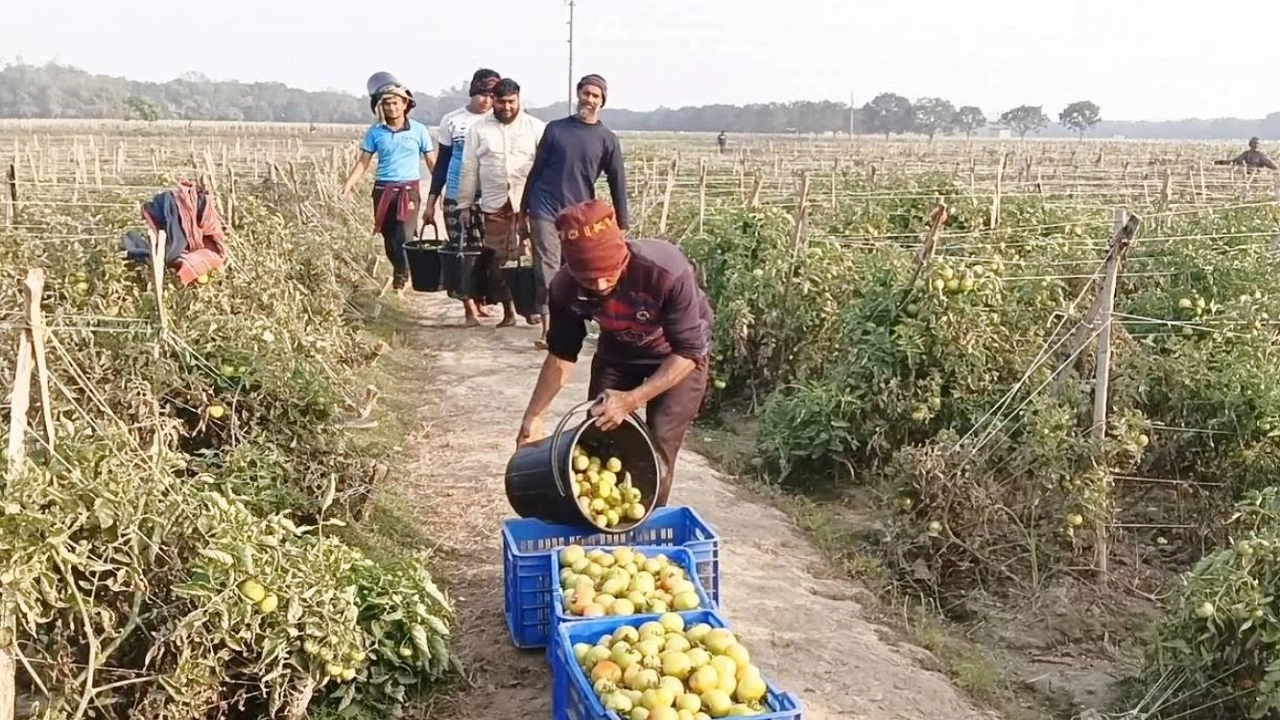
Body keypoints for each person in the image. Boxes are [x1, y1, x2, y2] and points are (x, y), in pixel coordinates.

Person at [515, 199, 712, 508]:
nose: (601, 283)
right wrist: (534, 416)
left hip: (676, 355)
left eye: (609, 273)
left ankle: (645, 525)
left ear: (623, 255)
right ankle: (604, 518)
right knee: (602, 431)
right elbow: (561, 356)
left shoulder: (664, 271)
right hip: (620, 350)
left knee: (658, 443)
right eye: (589, 278)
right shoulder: (565, 288)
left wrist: (631, 400)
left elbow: (688, 352)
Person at [520, 73, 630, 349]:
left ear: (602, 102)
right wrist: (524, 208)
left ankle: (574, 323)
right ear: (578, 94)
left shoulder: (607, 140)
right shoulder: (556, 129)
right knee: (547, 266)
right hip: (544, 207)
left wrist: (622, 221)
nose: (589, 99)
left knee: (576, 269)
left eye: (595, 96)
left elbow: (618, 181)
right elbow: (537, 170)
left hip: (579, 215)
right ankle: (548, 331)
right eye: (586, 93)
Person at [456, 78, 547, 327]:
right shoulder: (478, 129)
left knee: (531, 258)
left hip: (528, 204)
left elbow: (546, 166)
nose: (506, 107)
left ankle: (533, 308)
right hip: (495, 205)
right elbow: (468, 168)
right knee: (498, 262)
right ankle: (509, 312)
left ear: (519, 100)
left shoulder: (536, 127)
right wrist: (463, 204)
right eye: (501, 101)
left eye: (511, 102)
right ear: (493, 101)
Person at [340, 80, 436, 296]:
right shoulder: (375, 132)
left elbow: (431, 161)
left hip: (408, 191)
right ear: (381, 107)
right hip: (383, 190)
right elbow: (364, 161)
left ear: (405, 104)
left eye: (395, 103)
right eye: (386, 104)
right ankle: (401, 272)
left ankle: (400, 282)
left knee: (405, 236)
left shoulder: (419, 130)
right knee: (390, 240)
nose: (391, 108)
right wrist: (348, 184)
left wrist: (438, 189)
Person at [427, 69, 501, 325]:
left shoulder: (499, 121)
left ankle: (480, 300)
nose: (487, 101)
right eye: (482, 94)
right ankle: (468, 307)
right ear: (473, 93)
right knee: (462, 251)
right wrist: (431, 201)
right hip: (457, 197)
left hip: (490, 198)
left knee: (486, 253)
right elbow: (442, 163)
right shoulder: (452, 120)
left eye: (492, 95)